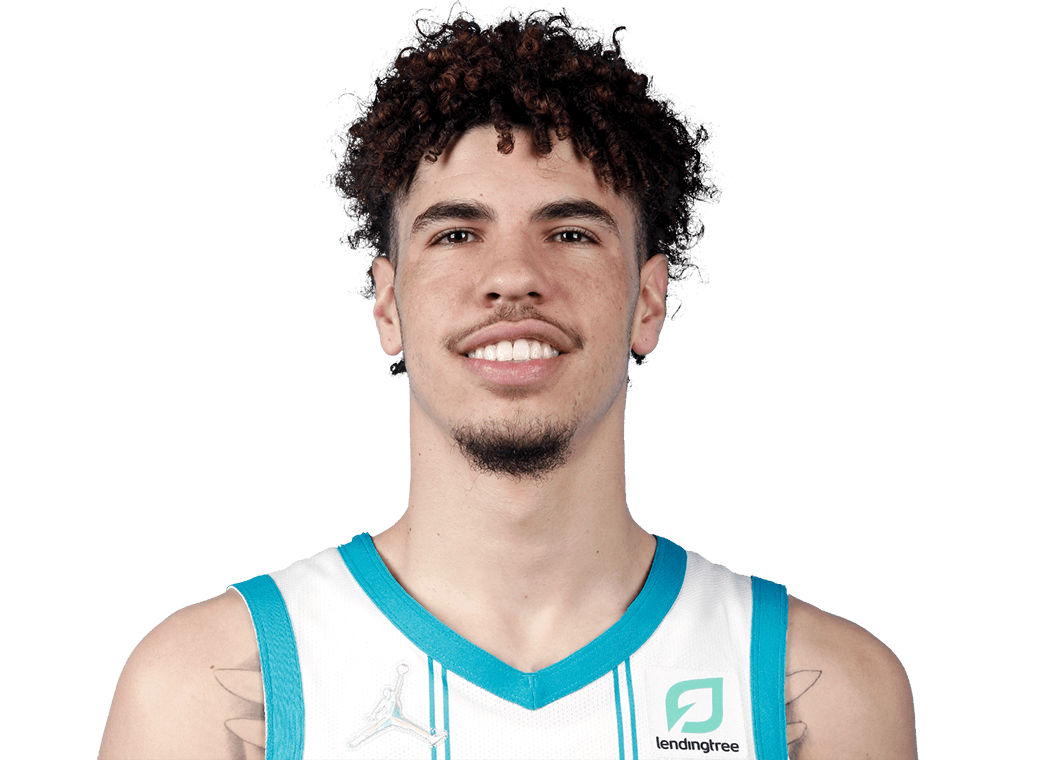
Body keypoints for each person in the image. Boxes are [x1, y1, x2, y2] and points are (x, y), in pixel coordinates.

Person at [98, 5, 916, 759]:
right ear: (388, 305)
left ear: (649, 302)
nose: (514, 277)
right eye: (456, 233)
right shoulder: (203, 686)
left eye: (571, 232)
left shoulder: (822, 691)